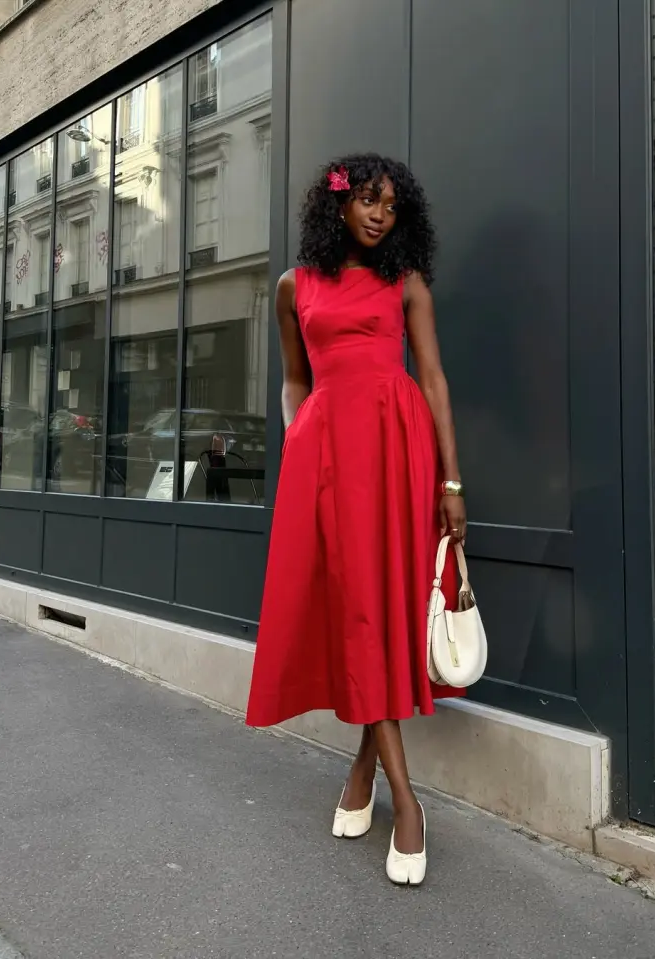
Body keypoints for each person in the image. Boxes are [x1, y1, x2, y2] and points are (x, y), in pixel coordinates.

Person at [246, 153, 466, 886]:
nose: (379, 214)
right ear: (336, 204)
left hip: (398, 454)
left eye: (392, 207)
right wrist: (301, 441)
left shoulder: (405, 282)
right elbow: (293, 379)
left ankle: (370, 771)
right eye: (368, 200)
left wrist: (452, 479)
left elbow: (432, 378)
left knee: (382, 609)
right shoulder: (292, 286)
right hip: (328, 461)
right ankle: (408, 800)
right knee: (354, 611)